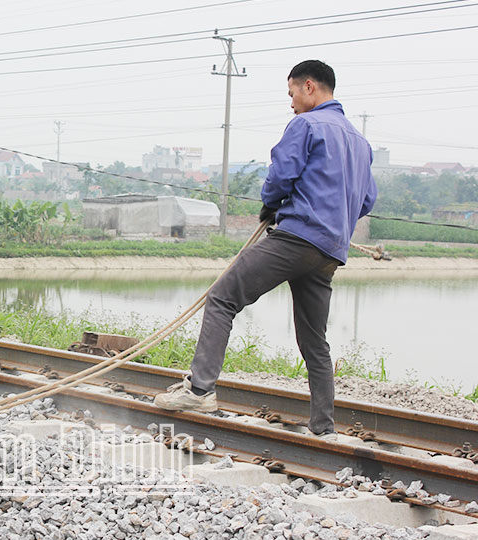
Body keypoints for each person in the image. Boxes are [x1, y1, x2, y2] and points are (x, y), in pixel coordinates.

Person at [153, 60, 376, 439]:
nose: (290, 104)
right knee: (314, 340)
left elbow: (280, 176)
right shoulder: (360, 141)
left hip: (296, 238)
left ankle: (200, 390)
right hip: (329, 253)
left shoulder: (306, 125)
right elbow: (367, 201)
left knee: (222, 298)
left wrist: (271, 204)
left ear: (309, 87)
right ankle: (323, 427)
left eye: (291, 94)